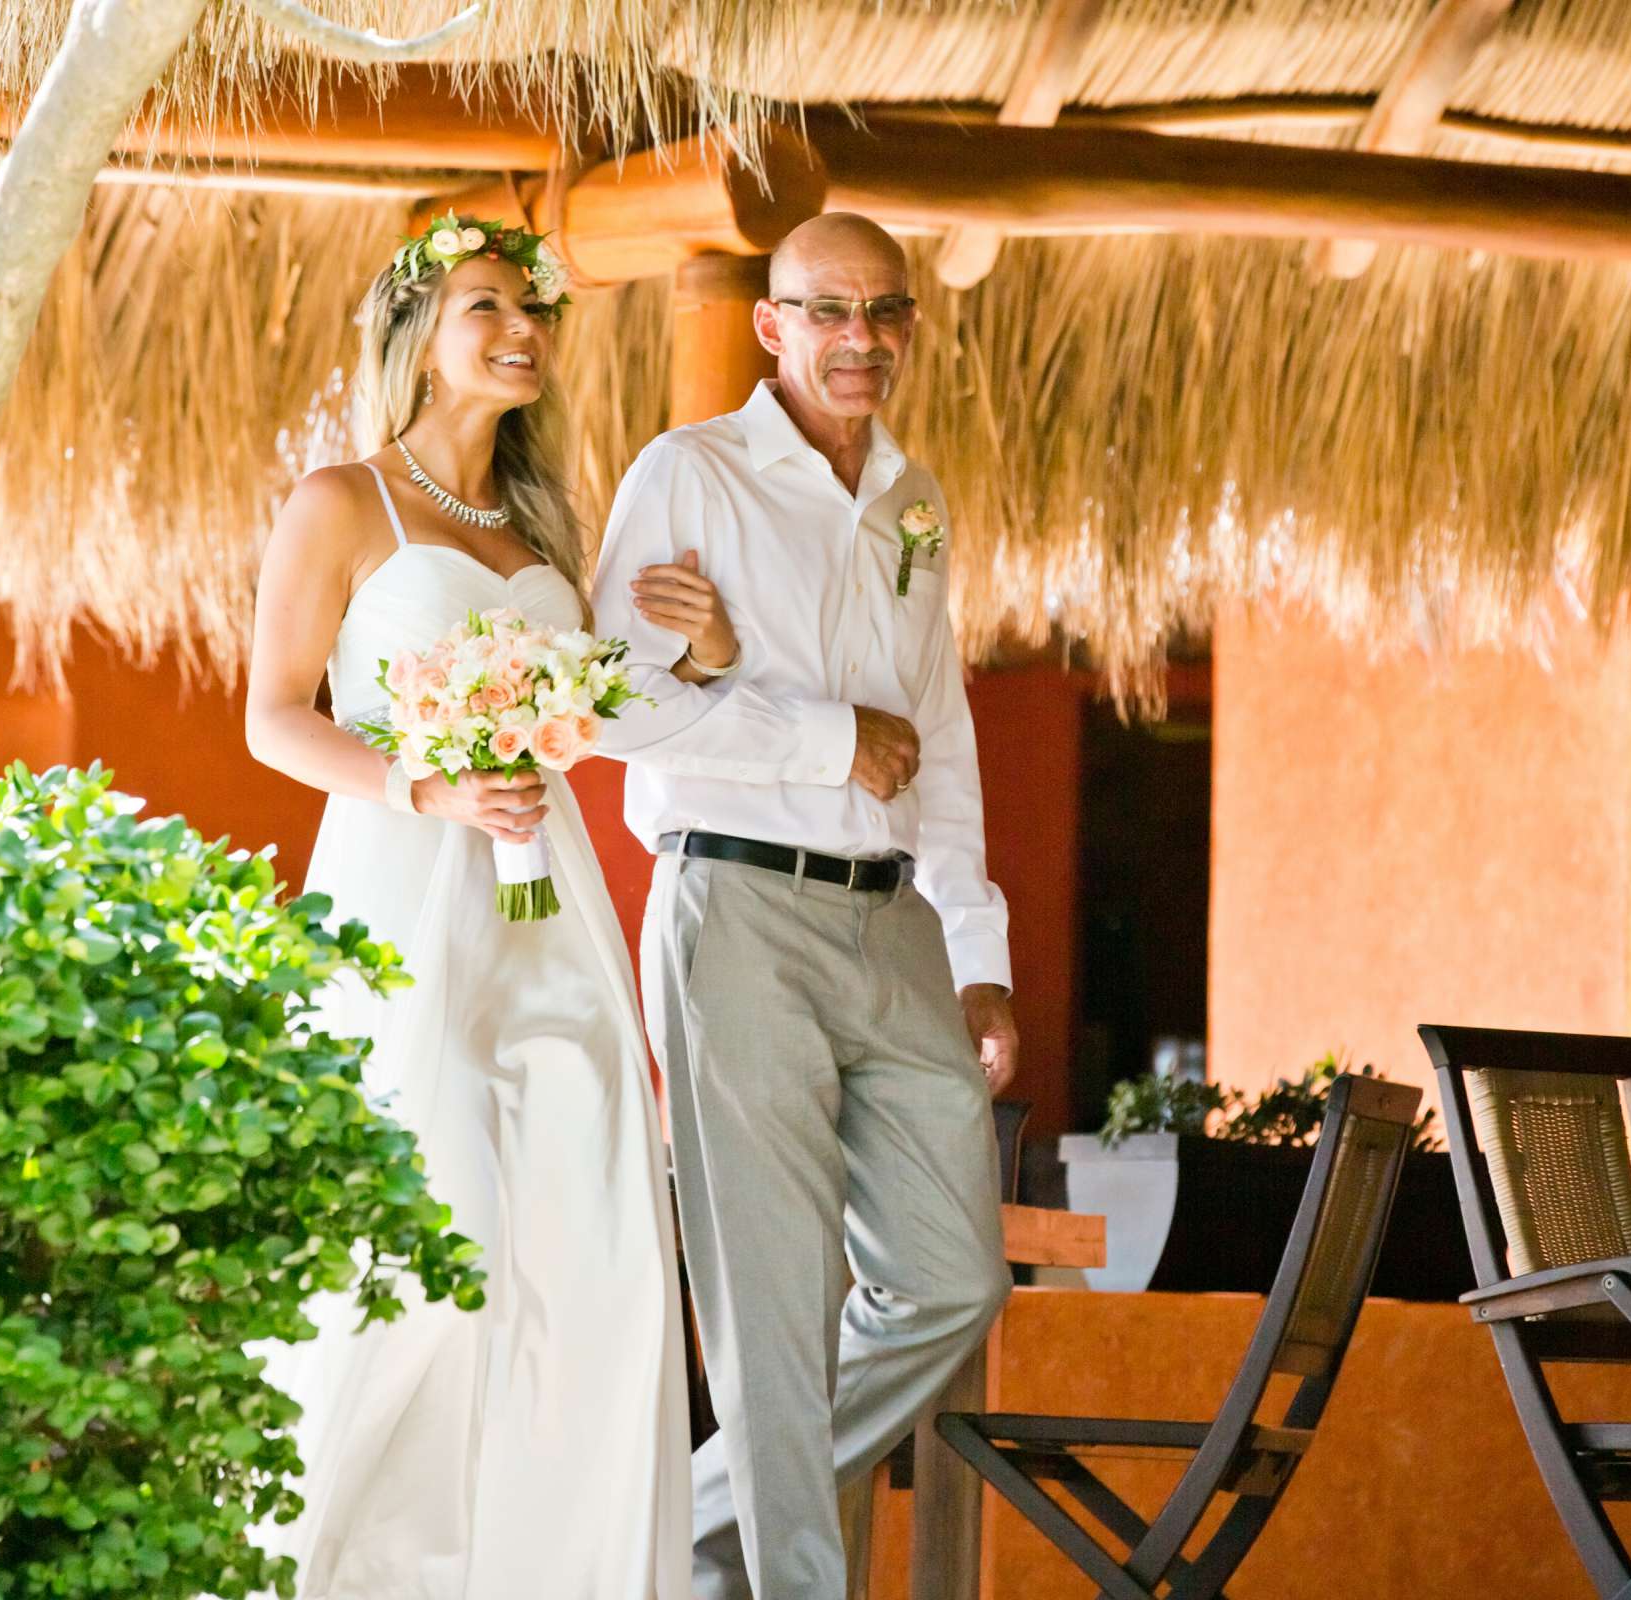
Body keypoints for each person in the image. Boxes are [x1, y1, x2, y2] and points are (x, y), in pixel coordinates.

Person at [239, 216, 729, 1599]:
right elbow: (277, 720)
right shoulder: (339, 502)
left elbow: (603, 728)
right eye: (486, 307)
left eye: (535, 310)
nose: (523, 330)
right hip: (406, 888)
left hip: (547, 901)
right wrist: (426, 788)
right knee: (426, 1222)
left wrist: (700, 661)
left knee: (588, 1239)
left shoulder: (541, 529)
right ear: (416, 336)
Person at [590, 211, 1020, 1600]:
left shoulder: (914, 501)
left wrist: (978, 943)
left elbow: (938, 734)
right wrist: (825, 737)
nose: (858, 339)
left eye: (882, 313)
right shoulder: (691, 476)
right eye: (825, 311)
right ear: (772, 325)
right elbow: (618, 708)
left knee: (954, 1281)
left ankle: (688, 1546)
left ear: (908, 328)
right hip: (740, 908)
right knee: (772, 1309)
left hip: (894, 919)